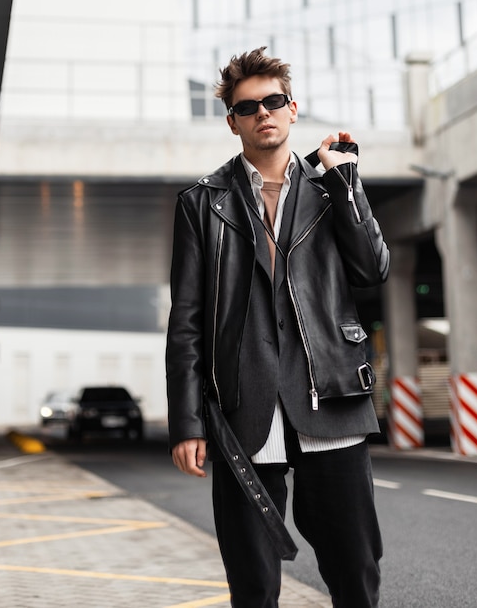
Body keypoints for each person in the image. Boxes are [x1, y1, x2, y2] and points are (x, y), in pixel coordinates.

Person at [166, 46, 390, 608]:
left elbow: (372, 269)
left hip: (329, 393)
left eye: (274, 101)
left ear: (293, 109)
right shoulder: (201, 203)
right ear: (232, 122)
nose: (263, 112)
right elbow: (187, 321)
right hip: (245, 403)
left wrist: (347, 183)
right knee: (253, 580)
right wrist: (187, 421)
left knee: (354, 566)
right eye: (249, 107)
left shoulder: (329, 189)